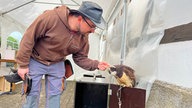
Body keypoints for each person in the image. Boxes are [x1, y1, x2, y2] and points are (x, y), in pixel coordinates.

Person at [16, 1, 109, 108]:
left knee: (55, 96)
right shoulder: (50, 18)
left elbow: (80, 58)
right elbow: (28, 39)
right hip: (36, 60)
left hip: (57, 63)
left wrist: (96, 64)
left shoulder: (84, 36)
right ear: (80, 19)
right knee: (31, 95)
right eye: (92, 26)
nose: (93, 31)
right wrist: (23, 65)